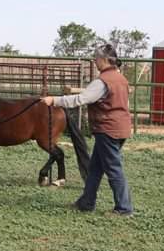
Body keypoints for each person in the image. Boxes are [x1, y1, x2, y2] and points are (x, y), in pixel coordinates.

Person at [41, 44, 133, 216]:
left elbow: (81, 99)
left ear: (104, 60)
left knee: (114, 169)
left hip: (108, 130)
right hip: (119, 128)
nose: (95, 61)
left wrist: (54, 100)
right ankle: (86, 202)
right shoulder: (121, 79)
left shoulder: (102, 82)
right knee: (95, 169)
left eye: (96, 58)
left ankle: (124, 208)